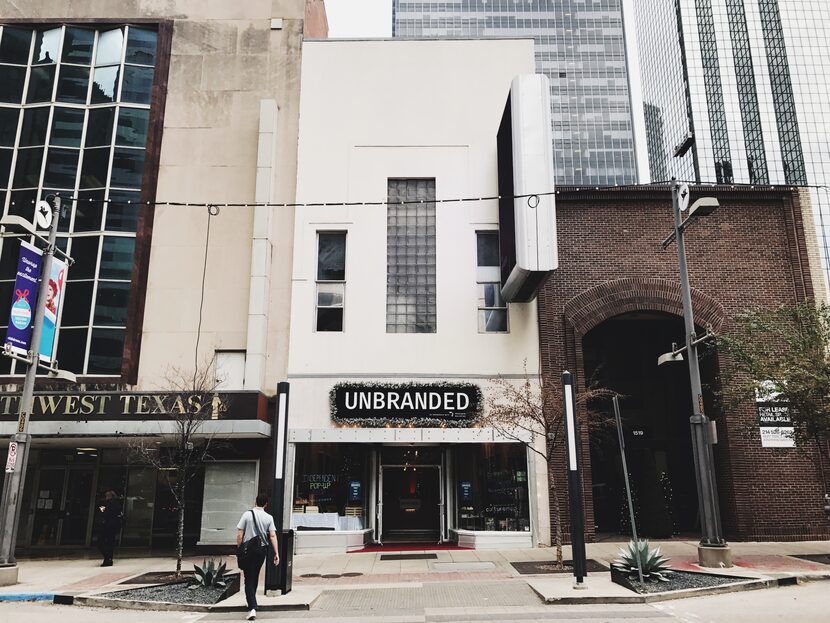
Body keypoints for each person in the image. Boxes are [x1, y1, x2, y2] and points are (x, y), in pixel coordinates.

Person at [236, 493, 279, 621]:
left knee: (248, 577)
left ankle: (252, 607)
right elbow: (272, 536)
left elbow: (239, 534)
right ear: (266, 504)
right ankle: (252, 602)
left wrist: (239, 547)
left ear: (255, 502)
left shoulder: (247, 515)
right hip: (262, 550)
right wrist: (276, 553)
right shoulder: (269, 517)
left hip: (248, 549)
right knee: (254, 576)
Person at [97, 490, 122, 567]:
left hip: (108, 525)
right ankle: (109, 558)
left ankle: (107, 558)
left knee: (101, 542)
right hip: (112, 525)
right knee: (110, 542)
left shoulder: (108, 504)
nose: (106, 497)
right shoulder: (116, 504)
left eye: (107, 496)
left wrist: (103, 508)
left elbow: (103, 512)